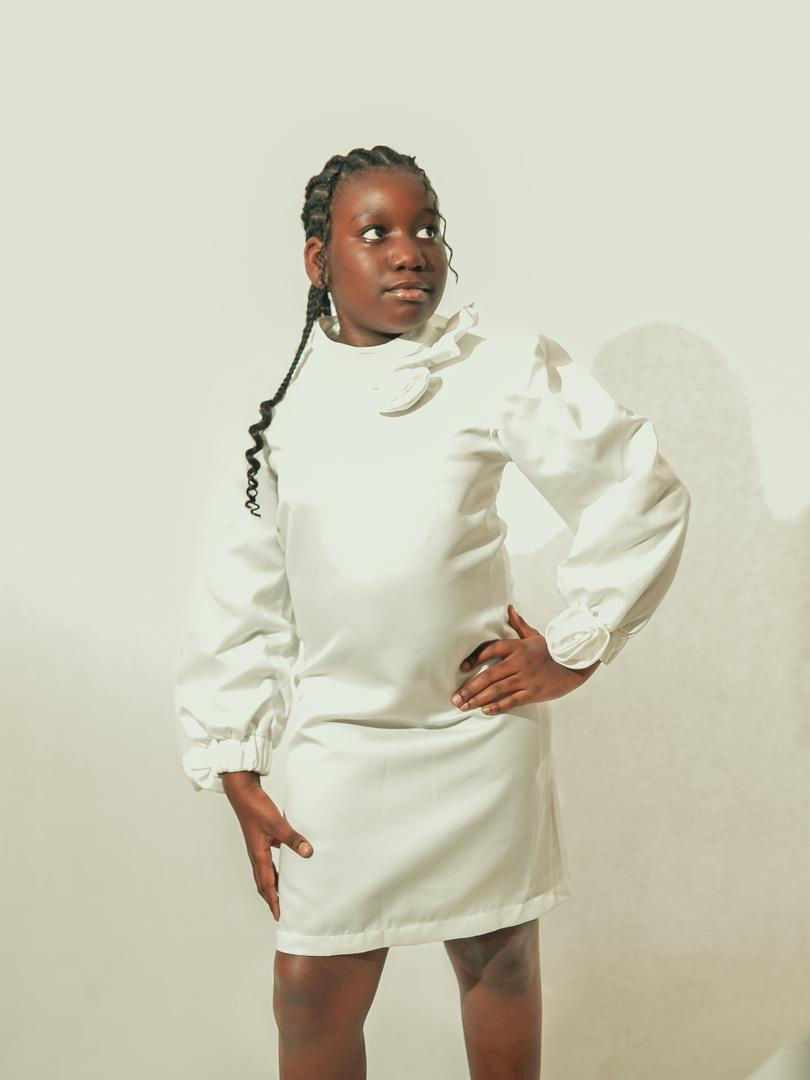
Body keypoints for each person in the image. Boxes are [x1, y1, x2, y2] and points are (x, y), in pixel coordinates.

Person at [174, 144, 691, 1080]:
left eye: (425, 229)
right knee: (309, 989)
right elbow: (241, 588)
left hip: (475, 732)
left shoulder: (495, 367)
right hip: (343, 736)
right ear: (318, 259)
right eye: (374, 232)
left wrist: (576, 647)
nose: (409, 251)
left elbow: (636, 489)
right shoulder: (278, 408)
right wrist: (237, 762)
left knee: (499, 960)